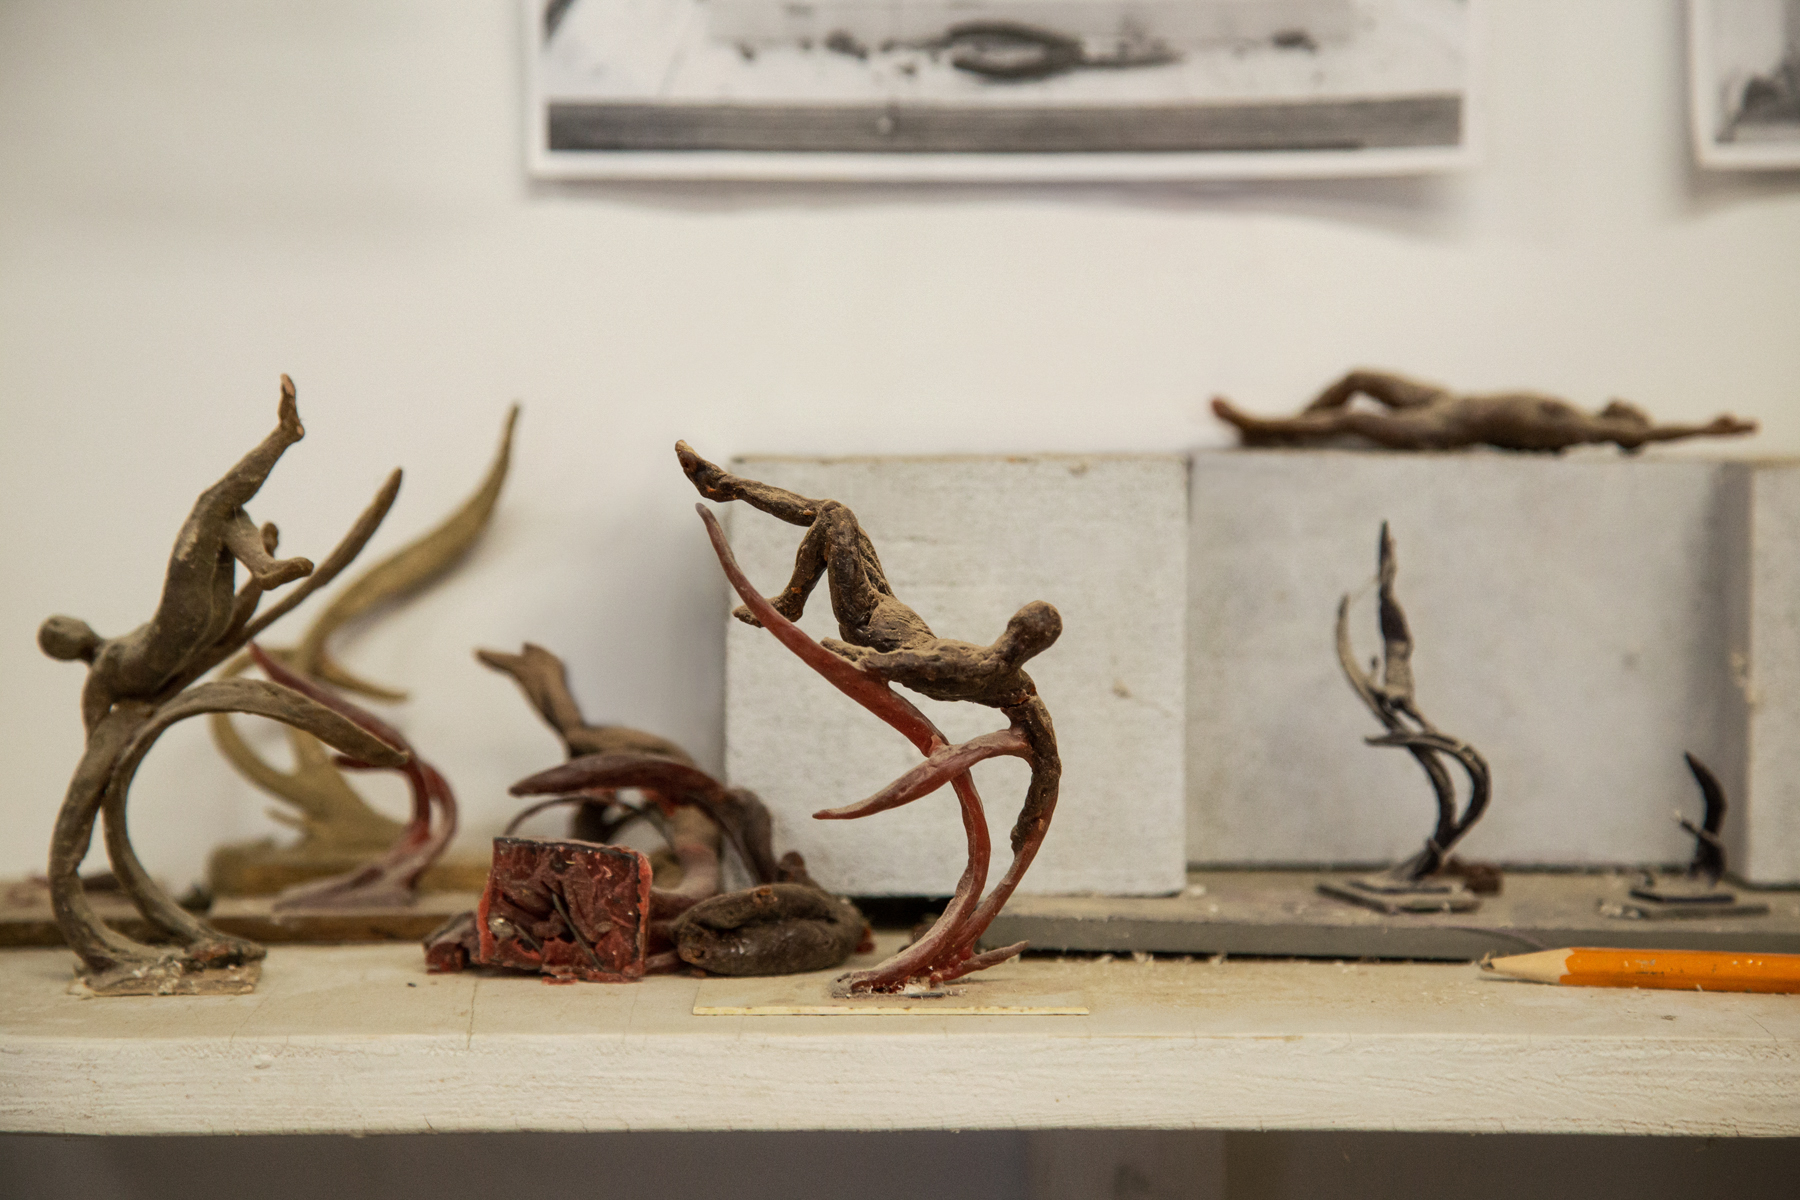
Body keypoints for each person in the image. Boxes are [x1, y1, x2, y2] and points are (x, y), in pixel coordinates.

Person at [39, 376, 315, 730]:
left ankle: (263, 564)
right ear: (63, 653)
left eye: (56, 622)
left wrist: (255, 588)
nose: (58, 629)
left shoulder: (116, 650)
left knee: (227, 512)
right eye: (54, 636)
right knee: (211, 505)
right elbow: (98, 747)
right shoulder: (100, 681)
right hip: (180, 621)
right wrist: (131, 730)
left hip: (208, 623)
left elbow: (230, 629)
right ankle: (284, 439)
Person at [1212, 369, 1758, 452]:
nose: (1632, 407)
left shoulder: (1579, 428)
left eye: (1632, 417)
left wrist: (1709, 430)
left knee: (1355, 419)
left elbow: (1652, 434)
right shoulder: (1570, 413)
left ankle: (1259, 427)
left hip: (1445, 425)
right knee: (1359, 378)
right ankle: (1294, 428)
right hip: (1447, 400)